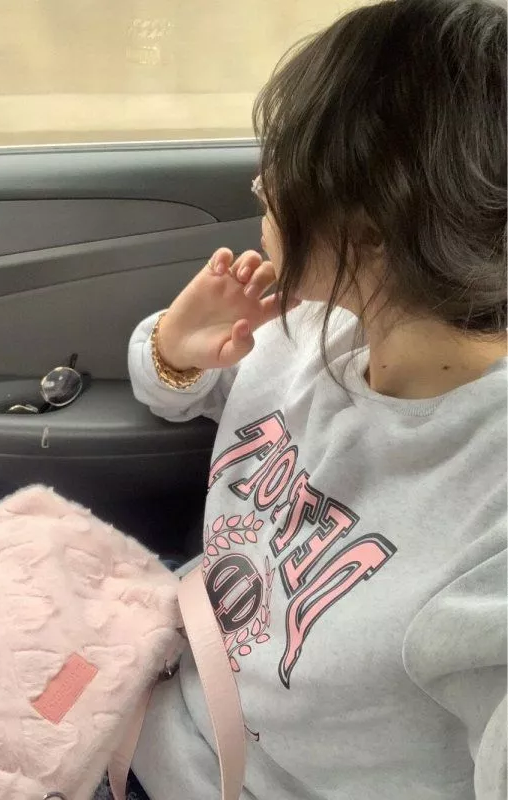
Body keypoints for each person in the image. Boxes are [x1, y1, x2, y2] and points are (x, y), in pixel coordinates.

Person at [124, 0, 508, 798]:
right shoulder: (312, 327)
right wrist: (175, 350)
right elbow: (169, 392)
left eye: (280, 169)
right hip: (144, 683)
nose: (261, 186)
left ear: (369, 229)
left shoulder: (487, 500)